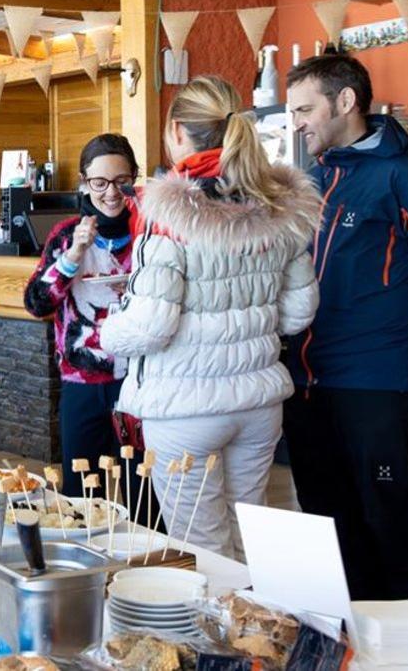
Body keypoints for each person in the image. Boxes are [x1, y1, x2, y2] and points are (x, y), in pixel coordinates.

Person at [284, 55, 408, 650]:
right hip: (309, 385)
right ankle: (367, 651)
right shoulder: (313, 181)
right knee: (331, 528)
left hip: (377, 386)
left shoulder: (406, 178)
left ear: (345, 102)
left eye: (304, 109)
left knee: (392, 521)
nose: (295, 125)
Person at [98, 76, 322, 560]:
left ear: (177, 131)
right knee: (251, 533)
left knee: (201, 548)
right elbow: (299, 312)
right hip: (259, 401)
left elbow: (150, 325)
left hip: (185, 407)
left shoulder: (169, 213)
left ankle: (213, 634)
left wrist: (107, 328)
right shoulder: (279, 208)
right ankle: (257, 630)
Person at [23, 134, 142, 497]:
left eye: (122, 181)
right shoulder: (65, 236)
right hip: (81, 383)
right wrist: (74, 255)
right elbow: (37, 303)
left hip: (139, 383)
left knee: (144, 494)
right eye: (100, 183)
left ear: (134, 179)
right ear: (84, 184)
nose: (111, 193)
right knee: (81, 496)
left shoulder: (149, 233)